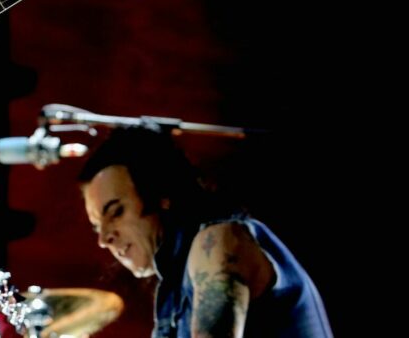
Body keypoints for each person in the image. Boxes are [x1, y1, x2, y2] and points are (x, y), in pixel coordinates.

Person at [78, 127, 332, 337]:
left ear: (161, 194)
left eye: (116, 212)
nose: (104, 238)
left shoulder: (218, 244)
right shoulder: (175, 290)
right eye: (97, 226)